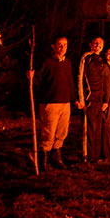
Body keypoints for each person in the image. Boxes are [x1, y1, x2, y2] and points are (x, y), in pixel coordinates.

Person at [29, 36, 75, 171]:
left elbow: (70, 82)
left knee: (61, 132)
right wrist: (31, 77)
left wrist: (74, 99)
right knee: (48, 133)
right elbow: (37, 80)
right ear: (53, 46)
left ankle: (57, 158)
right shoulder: (47, 62)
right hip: (50, 103)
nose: (62, 48)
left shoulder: (68, 63)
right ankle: (43, 162)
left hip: (65, 103)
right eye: (60, 45)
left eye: (65, 45)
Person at [77, 36, 107, 162]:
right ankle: (87, 156)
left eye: (100, 43)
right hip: (89, 98)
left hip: (100, 98)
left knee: (98, 128)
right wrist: (81, 98)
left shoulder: (101, 60)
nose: (98, 45)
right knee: (89, 128)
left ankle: (96, 155)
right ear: (90, 44)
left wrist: (105, 100)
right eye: (95, 43)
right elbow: (80, 78)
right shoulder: (87, 57)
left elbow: (103, 81)